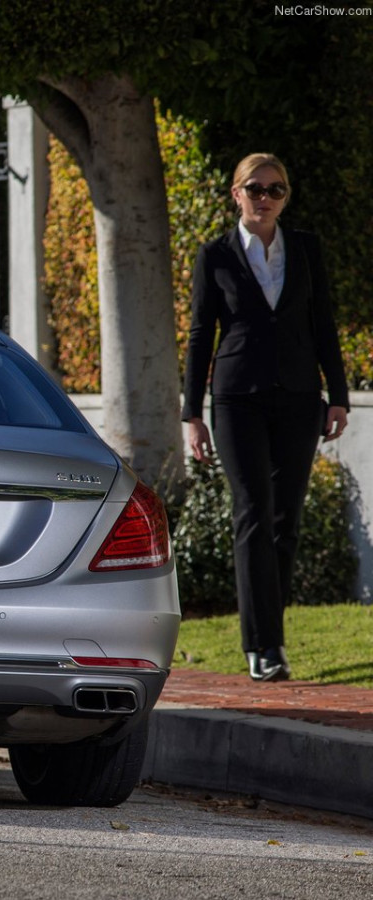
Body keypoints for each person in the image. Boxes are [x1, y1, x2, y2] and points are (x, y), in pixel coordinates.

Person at [181, 152, 349, 683]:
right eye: (256, 188)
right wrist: (191, 413)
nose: (266, 198)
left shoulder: (304, 249)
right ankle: (264, 646)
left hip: (299, 398)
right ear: (237, 194)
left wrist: (338, 395)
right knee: (253, 512)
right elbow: (198, 337)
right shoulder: (215, 256)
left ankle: (269, 635)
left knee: (285, 522)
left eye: (276, 190)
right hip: (237, 400)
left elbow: (323, 324)